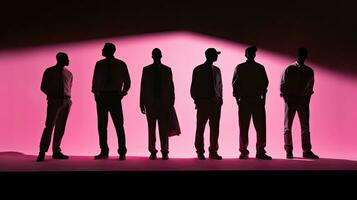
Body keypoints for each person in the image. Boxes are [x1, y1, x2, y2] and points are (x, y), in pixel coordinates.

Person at [92, 42, 131, 160]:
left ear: (109, 50)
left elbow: (127, 82)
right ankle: (104, 151)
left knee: (118, 125)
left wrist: (122, 94)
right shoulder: (100, 64)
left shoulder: (120, 64)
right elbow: (94, 81)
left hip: (113, 96)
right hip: (104, 96)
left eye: (104, 49)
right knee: (103, 126)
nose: (101, 50)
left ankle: (121, 151)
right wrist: (96, 94)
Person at [232, 46, 272, 160]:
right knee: (245, 127)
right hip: (246, 100)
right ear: (246, 54)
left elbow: (265, 86)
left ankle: (258, 151)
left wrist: (263, 100)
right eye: (250, 52)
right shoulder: (241, 68)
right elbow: (235, 86)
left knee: (260, 128)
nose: (252, 54)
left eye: (253, 53)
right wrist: (238, 100)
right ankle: (245, 151)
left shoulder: (258, 68)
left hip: (254, 100)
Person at [280, 47, 319, 159]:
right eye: (300, 54)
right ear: (297, 55)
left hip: (303, 100)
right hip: (291, 99)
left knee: (305, 126)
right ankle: (289, 150)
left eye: (303, 55)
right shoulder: (289, 69)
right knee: (288, 126)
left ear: (305, 56)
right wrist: (287, 99)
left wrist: (307, 100)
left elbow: (311, 87)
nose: (301, 56)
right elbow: (283, 85)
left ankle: (306, 150)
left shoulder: (309, 71)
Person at [140, 48, 175, 160]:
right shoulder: (161, 70)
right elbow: (143, 87)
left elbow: (171, 88)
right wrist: (141, 102)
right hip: (153, 103)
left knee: (160, 129)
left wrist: (171, 103)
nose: (156, 57)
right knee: (154, 129)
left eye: (157, 55)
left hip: (161, 103)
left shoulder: (165, 70)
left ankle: (163, 151)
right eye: (155, 55)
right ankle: (155, 151)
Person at [37, 52, 72, 162]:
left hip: (66, 101)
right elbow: (43, 86)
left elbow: (69, 86)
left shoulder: (69, 73)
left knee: (61, 127)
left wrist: (67, 98)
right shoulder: (49, 71)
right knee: (49, 126)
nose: (69, 60)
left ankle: (56, 151)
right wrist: (53, 95)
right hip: (54, 100)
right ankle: (42, 152)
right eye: (67, 58)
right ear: (60, 59)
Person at [190, 48, 223, 160]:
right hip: (203, 102)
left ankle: (213, 151)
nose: (217, 56)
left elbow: (220, 86)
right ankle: (200, 151)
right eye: (215, 54)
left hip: (215, 103)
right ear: (209, 55)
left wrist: (220, 100)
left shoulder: (217, 70)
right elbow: (193, 87)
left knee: (215, 128)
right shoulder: (198, 70)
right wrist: (198, 101)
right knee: (201, 128)